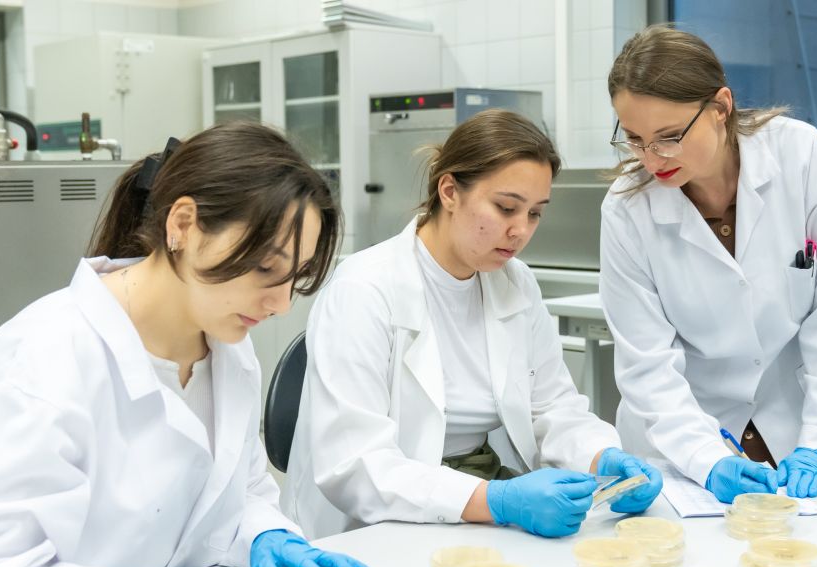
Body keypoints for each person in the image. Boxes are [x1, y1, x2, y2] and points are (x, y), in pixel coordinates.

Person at [0, 122, 374, 567]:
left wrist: (265, 535)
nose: (281, 305)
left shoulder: (226, 347)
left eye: (294, 278)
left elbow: (239, 492)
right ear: (183, 225)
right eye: (265, 268)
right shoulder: (39, 364)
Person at [281, 109, 663, 541]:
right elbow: (355, 464)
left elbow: (552, 406)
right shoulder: (364, 290)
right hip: (373, 523)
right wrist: (498, 500)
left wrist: (601, 455)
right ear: (449, 191)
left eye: (535, 214)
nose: (520, 231)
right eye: (506, 208)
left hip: (477, 496)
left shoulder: (514, 282)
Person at [600, 25, 817, 503]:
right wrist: (706, 459)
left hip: (799, 427)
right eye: (634, 139)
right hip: (686, 439)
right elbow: (647, 364)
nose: (652, 158)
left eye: (669, 137)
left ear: (721, 107)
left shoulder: (801, 158)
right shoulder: (627, 209)